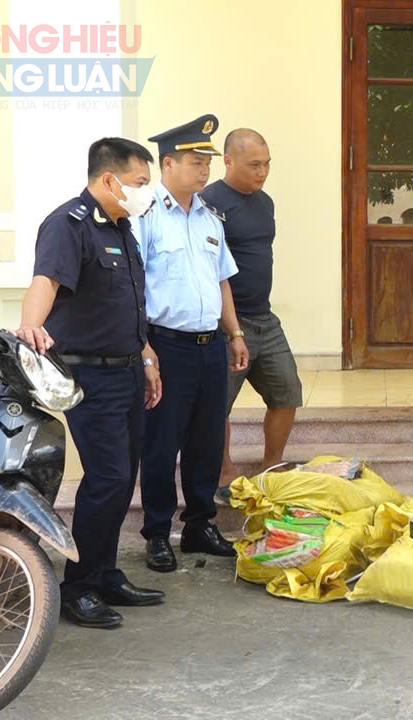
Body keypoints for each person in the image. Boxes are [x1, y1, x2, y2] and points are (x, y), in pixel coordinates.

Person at [16, 137, 165, 628]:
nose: (146, 192)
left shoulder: (123, 227)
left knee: (124, 476)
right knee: (106, 478)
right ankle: (78, 586)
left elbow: (125, 306)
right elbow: (46, 282)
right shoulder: (68, 224)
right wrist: (30, 328)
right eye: (141, 183)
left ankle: (105, 573)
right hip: (90, 375)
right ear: (109, 179)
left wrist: (147, 359)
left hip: (126, 369)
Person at [136, 114, 249, 572]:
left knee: (206, 440)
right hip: (167, 346)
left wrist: (235, 333)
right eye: (194, 161)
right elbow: (132, 287)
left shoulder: (210, 218)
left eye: (207, 161)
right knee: (162, 444)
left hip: (209, 347)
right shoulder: (145, 217)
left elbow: (222, 280)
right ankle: (158, 533)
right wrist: (144, 351)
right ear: (168, 164)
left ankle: (200, 525)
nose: (204, 170)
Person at [203, 129, 301, 503]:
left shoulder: (265, 203)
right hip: (226, 321)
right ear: (228, 161)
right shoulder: (208, 203)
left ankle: (271, 466)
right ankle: (224, 470)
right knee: (218, 404)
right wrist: (232, 329)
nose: (263, 172)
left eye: (267, 164)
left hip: (264, 316)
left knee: (287, 391)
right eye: (254, 165)